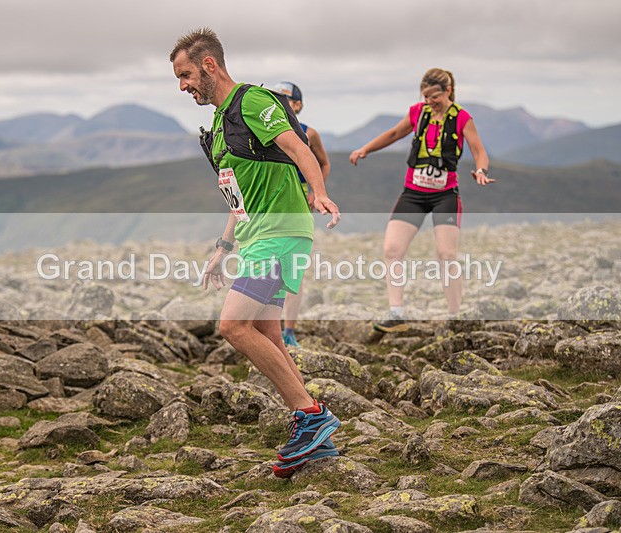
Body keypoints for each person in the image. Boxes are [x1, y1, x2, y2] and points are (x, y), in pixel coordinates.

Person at [170, 28, 342, 477]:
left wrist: (319, 192)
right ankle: (316, 440)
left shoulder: (252, 101)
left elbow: (297, 147)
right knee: (266, 329)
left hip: (282, 234)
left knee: (232, 325)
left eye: (185, 75)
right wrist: (223, 248)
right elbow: (237, 196)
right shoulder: (222, 125)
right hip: (255, 238)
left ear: (209, 65)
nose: (182, 86)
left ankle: (310, 415)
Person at [349, 68, 493, 332]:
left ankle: (454, 316)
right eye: (425, 96)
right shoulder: (418, 112)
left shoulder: (462, 118)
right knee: (392, 250)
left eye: (434, 97)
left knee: (446, 254)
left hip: (445, 195)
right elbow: (394, 134)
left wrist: (481, 171)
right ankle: (396, 313)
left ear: (448, 91)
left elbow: (479, 151)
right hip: (413, 194)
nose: (429, 101)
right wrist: (365, 149)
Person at [270, 82, 331, 348]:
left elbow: (323, 163)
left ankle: (289, 331)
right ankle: (269, 328)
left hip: (297, 208)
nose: (279, 103)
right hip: (270, 208)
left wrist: (317, 192)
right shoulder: (266, 130)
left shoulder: (309, 134)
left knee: (292, 271)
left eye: (285, 98)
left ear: (297, 104)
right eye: (275, 98)